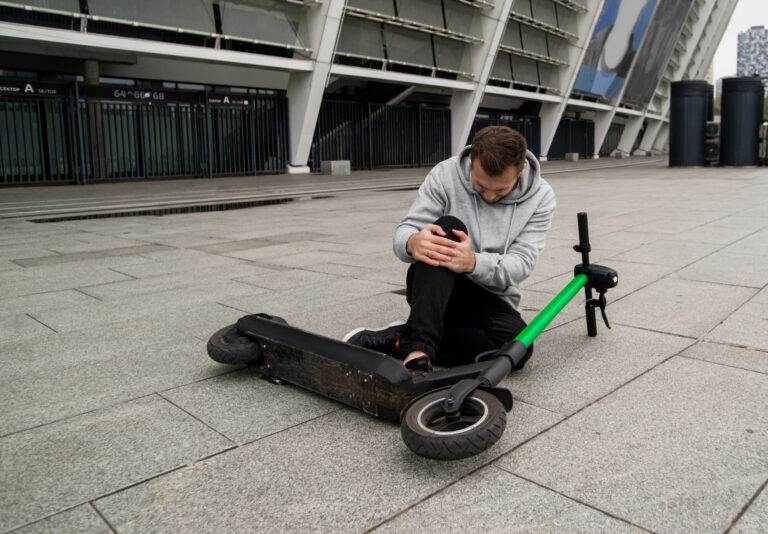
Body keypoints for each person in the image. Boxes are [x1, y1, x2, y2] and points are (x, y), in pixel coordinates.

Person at [343, 126, 556, 372]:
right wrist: (413, 242)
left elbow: (522, 264)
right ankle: (418, 353)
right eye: (480, 185)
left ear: (521, 170)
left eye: (499, 190)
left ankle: (403, 339)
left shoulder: (541, 197)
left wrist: (473, 263)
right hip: (435, 286)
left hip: (491, 298)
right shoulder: (445, 174)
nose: (488, 196)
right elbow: (405, 231)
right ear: (472, 160)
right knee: (447, 228)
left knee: (518, 348)